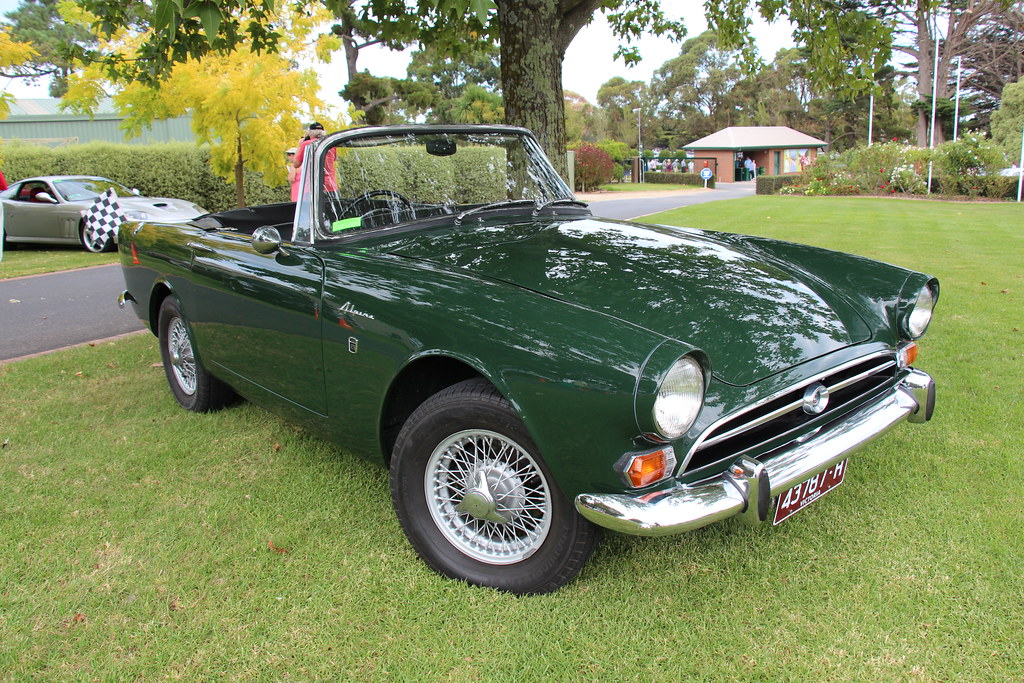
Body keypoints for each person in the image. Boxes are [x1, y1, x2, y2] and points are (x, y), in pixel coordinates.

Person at [293, 122, 338, 193]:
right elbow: (334, 158)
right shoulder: (330, 144)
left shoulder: (307, 144)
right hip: (330, 184)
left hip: (313, 185)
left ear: (310, 133)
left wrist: (299, 146)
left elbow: (296, 164)